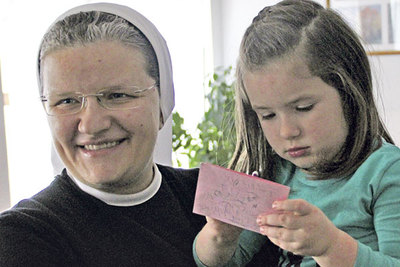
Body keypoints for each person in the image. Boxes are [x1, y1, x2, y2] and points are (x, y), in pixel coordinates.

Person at [193, 0, 400, 266]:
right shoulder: (277, 173)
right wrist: (219, 235)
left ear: (348, 92)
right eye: (267, 115)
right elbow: (222, 262)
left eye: (303, 108)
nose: (287, 131)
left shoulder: (385, 171)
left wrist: (331, 246)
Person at [0, 3, 206, 266]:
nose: (92, 125)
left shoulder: (210, 199)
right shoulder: (23, 236)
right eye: (66, 101)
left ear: (163, 102)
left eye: (117, 95)